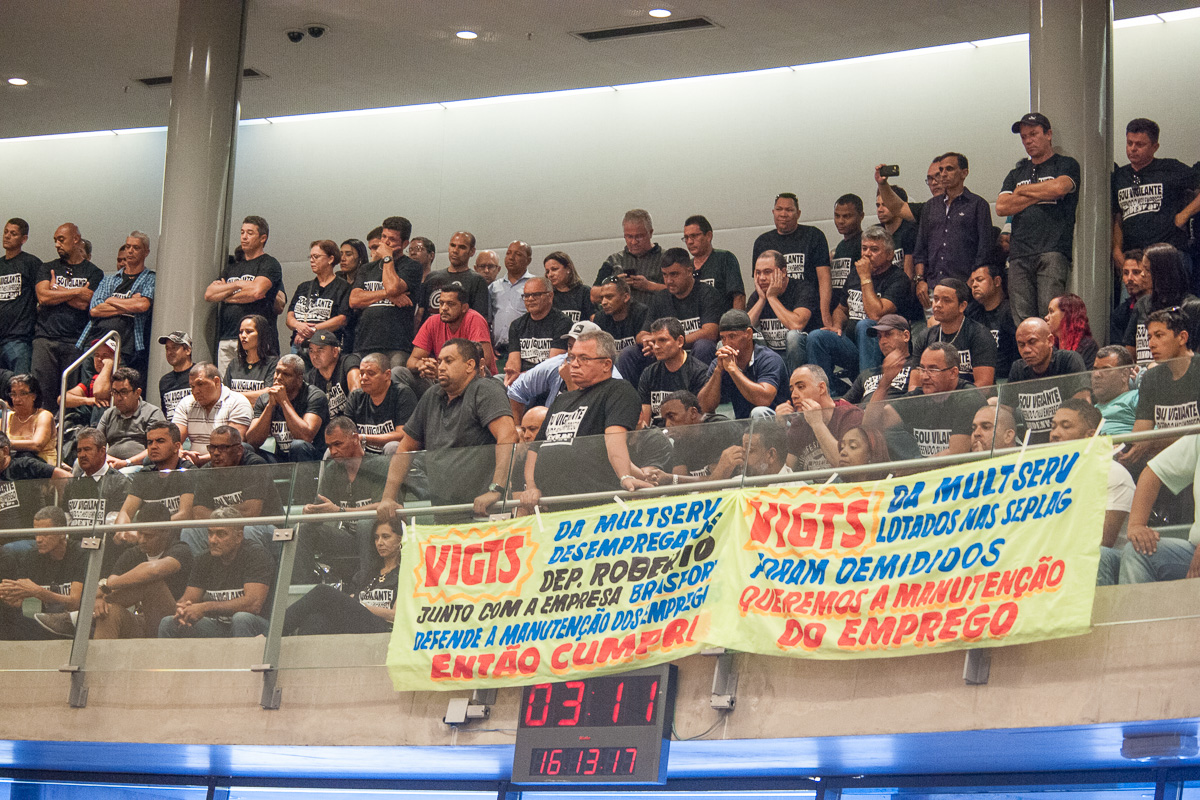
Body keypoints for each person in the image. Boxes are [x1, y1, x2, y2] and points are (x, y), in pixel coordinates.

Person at [378, 339, 517, 519]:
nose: (441, 367)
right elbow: (405, 448)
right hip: (444, 512)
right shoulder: (431, 396)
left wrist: (496, 489)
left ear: (469, 365)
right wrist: (388, 497)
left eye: (449, 361)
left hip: (485, 511)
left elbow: (508, 436)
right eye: (440, 361)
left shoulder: (485, 389)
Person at [518, 330, 646, 510]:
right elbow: (535, 448)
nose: (574, 364)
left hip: (596, 505)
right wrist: (531, 487)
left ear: (606, 364)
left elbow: (614, 438)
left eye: (584, 358)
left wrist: (625, 476)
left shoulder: (618, 390)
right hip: (553, 506)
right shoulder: (561, 400)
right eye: (572, 358)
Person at [35, 504, 193, 640]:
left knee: (150, 583)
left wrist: (106, 587)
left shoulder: (180, 550)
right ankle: (97, 666)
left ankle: (80, 617)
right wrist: (99, 600)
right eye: (139, 533)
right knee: (107, 611)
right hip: (142, 621)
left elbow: (153, 570)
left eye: (149, 535)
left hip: (173, 620)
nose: (142, 540)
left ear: (166, 532)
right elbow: (110, 585)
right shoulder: (133, 553)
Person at [806, 225, 922, 391]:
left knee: (866, 325)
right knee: (816, 337)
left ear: (889, 255)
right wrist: (836, 326)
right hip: (853, 346)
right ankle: (826, 395)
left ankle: (868, 390)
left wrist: (866, 277)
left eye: (874, 249)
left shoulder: (898, 279)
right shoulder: (855, 273)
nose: (867, 254)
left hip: (883, 347)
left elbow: (875, 314)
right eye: (864, 248)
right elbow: (841, 309)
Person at [996, 113, 1081, 320]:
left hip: (1052, 250)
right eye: (1024, 137)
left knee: (1050, 316)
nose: (1028, 141)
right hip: (1019, 254)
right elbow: (1002, 207)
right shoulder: (1016, 173)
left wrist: (1022, 192)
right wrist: (1042, 192)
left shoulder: (1065, 164)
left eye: (1033, 134)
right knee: (1023, 321)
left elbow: (1059, 188)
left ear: (1048, 134)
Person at [1047, 398, 1135, 587]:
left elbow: (1104, 540)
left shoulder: (1113, 473)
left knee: (1093, 555)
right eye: (1053, 427)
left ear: (1090, 436)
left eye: (1065, 426)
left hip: (1111, 562)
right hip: (1060, 560)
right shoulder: (1046, 479)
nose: (1055, 434)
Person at [158, 506, 274, 639]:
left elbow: (253, 604)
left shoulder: (256, 555)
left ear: (238, 536)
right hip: (218, 626)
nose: (213, 540)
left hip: (260, 628)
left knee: (241, 618)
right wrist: (183, 609)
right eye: (210, 533)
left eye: (221, 534)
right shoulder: (203, 559)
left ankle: (244, 654)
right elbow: (189, 598)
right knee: (169, 623)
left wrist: (205, 607)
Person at [297, 416, 389, 578]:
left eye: (338, 444)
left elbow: (382, 505)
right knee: (304, 530)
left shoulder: (380, 465)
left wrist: (340, 511)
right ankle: (306, 583)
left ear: (355, 438)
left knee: (365, 524)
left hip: (378, 537)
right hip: (348, 538)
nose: (333, 451)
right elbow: (321, 506)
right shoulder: (332, 469)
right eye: (329, 446)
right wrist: (310, 511)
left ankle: (366, 582)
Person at [619, 249, 721, 387]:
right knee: (629, 353)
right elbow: (641, 335)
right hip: (664, 352)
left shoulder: (707, 293)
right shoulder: (660, 298)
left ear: (689, 271)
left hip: (692, 352)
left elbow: (710, 332)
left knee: (704, 346)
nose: (668, 281)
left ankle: (700, 395)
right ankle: (631, 397)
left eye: (674, 274)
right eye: (665, 275)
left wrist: (673, 344)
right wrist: (649, 341)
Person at [866, 342, 986, 457]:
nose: (924, 376)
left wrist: (915, 466)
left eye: (933, 370)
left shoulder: (968, 398)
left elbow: (956, 454)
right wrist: (885, 382)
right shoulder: (919, 396)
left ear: (953, 373)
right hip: (924, 467)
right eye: (922, 369)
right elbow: (871, 425)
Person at [282, 520, 400, 636]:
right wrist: (355, 603)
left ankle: (275, 631)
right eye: (376, 538)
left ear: (400, 539)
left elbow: (395, 615)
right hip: (358, 621)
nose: (379, 543)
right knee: (315, 620)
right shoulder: (367, 573)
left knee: (322, 592)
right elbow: (353, 597)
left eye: (386, 537)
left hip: (383, 626)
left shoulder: (404, 573)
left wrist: (362, 606)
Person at [1111, 118, 1200, 270]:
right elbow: (1118, 215)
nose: (1133, 149)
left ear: (1155, 147)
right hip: (1134, 257)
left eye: (1140, 144)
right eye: (1129, 143)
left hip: (1169, 253)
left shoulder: (1170, 168)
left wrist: (1184, 215)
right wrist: (1116, 248)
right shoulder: (1119, 176)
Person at [32, 223, 103, 410]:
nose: (57, 244)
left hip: (75, 342)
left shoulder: (94, 272)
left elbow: (86, 303)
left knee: (70, 397)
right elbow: (43, 297)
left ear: (76, 239)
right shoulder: (48, 267)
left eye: (61, 239)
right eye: (55, 240)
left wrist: (57, 290)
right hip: (45, 339)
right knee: (41, 394)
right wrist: (78, 291)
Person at [205, 216, 284, 374]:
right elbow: (210, 294)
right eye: (242, 232)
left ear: (263, 238)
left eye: (250, 233)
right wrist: (238, 284)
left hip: (257, 338)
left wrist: (226, 295)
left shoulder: (269, 263)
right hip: (227, 337)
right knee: (226, 385)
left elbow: (256, 292)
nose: (244, 237)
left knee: (254, 383)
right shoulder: (232, 268)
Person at [912, 153, 994, 305]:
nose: (943, 174)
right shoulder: (930, 206)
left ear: (964, 173)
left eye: (949, 169)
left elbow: (985, 249)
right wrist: (920, 280)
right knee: (934, 321)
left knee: (963, 320)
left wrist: (972, 280)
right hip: (932, 286)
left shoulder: (977, 205)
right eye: (941, 170)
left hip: (964, 285)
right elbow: (920, 249)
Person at [1118, 432, 1200, 584]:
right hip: (1193, 550)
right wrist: (1136, 525)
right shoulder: (1197, 439)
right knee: (1135, 551)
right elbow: (1153, 473)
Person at [186, 425, 282, 553]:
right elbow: (199, 514)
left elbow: (251, 512)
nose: (215, 453)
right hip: (223, 528)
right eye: (212, 447)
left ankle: (253, 566)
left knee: (245, 531)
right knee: (190, 532)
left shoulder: (254, 465)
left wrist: (216, 514)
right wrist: (229, 517)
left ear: (239, 450)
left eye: (223, 448)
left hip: (265, 527)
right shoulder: (206, 472)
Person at [506, 321, 626, 421]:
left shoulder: (613, 379)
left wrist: (570, 382)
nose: (573, 352)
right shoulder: (557, 364)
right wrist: (517, 428)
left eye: (581, 348)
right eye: (570, 346)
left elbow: (586, 423)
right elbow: (517, 389)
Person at [79, 230, 156, 383]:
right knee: (89, 387)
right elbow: (95, 309)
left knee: (117, 388)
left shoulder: (150, 278)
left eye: (136, 247)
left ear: (146, 252)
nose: (130, 251)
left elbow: (142, 305)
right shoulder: (110, 279)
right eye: (128, 247)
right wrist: (129, 304)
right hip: (95, 341)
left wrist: (111, 300)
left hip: (124, 347)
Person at [0, 506, 86, 640]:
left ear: (62, 532)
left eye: (45, 534)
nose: (39, 539)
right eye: (36, 533)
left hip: (72, 623)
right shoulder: (31, 556)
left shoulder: (80, 553)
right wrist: (11, 596)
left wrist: (39, 592)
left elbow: (75, 603)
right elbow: (19, 603)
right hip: (43, 623)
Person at [1001, 317, 1089, 444]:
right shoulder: (1018, 369)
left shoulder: (1068, 361)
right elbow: (1004, 413)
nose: (1026, 350)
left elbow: (1083, 409)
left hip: (1066, 444)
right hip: (1032, 449)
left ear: (1050, 341)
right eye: (1021, 345)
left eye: (1032, 342)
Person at [751, 192, 832, 329]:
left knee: (795, 335)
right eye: (779, 209)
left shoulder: (813, 236)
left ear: (798, 213)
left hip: (806, 304)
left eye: (789, 210)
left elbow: (824, 278)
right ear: (773, 212)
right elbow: (759, 279)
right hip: (774, 309)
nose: (783, 214)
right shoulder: (762, 242)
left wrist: (825, 315)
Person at [349, 216, 422, 367]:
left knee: (395, 378)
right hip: (366, 342)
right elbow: (354, 300)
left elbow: (392, 287)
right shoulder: (367, 269)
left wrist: (388, 257)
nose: (386, 242)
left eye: (392, 239)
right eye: (383, 237)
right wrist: (388, 295)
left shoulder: (412, 267)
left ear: (405, 243)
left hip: (396, 344)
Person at [698, 310, 788, 419]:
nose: (726, 343)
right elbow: (704, 407)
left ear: (749, 334)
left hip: (777, 422)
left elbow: (764, 400)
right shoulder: (721, 362)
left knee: (758, 412)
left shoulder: (769, 359)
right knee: (707, 418)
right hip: (742, 422)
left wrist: (733, 370)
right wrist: (717, 371)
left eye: (732, 336)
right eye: (723, 338)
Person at [775, 365, 863, 472]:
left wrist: (817, 424)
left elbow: (845, 468)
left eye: (801, 387)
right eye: (792, 390)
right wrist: (779, 428)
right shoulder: (799, 422)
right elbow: (787, 471)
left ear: (821, 388)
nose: (793, 395)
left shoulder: (851, 415)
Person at [1123, 244, 1200, 364]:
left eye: (1147, 270)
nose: (1142, 275)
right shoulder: (1142, 304)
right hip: (1144, 373)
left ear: (1163, 272)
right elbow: (1130, 353)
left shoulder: (1193, 307)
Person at [642, 391, 740, 485]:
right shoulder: (681, 438)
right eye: (665, 419)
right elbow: (680, 481)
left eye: (671, 416)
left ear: (693, 413)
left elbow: (719, 479)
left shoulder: (719, 428)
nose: (667, 424)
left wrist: (671, 479)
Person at [913, 279, 997, 386]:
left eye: (946, 300)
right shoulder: (925, 336)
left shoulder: (980, 335)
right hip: (934, 396)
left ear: (962, 306)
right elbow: (914, 385)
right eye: (936, 299)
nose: (938, 305)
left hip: (970, 395)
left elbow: (984, 386)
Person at [114, 421, 195, 532]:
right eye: (150, 442)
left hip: (175, 537)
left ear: (176, 447)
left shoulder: (188, 471)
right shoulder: (145, 474)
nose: (153, 446)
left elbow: (185, 515)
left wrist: (147, 531)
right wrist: (122, 531)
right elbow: (125, 512)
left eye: (160, 441)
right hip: (144, 536)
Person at [746, 249, 817, 374]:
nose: (761, 278)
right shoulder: (758, 296)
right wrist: (762, 299)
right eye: (758, 273)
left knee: (793, 336)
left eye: (767, 272)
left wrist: (772, 298)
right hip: (773, 358)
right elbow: (742, 329)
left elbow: (796, 325)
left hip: (800, 359)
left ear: (783, 272)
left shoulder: (802, 289)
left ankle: (796, 382)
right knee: (750, 337)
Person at [246, 355, 329, 462]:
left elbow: (305, 437)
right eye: (277, 372)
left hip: (313, 458)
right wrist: (270, 406)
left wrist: (284, 401)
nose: (278, 377)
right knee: (245, 449)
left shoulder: (315, 396)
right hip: (281, 459)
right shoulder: (264, 399)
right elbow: (252, 441)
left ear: (299, 379)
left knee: (298, 445)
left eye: (286, 374)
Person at [408, 282, 496, 381]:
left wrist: (442, 370)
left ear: (464, 308)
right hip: (440, 379)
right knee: (400, 373)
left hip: (473, 381)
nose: (444, 308)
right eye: (441, 303)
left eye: (450, 304)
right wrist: (423, 365)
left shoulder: (475, 319)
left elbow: (483, 363)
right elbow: (412, 360)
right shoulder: (432, 321)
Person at [171, 362, 252, 466]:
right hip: (191, 465)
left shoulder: (238, 402)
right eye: (192, 386)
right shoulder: (186, 403)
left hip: (225, 465)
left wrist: (200, 460)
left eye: (200, 384)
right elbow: (174, 441)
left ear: (216, 382)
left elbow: (232, 447)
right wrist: (181, 455)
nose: (195, 391)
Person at [637, 317, 709, 427]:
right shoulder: (648, 373)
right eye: (654, 341)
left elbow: (699, 421)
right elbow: (644, 423)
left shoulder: (699, 372)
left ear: (680, 341)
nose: (656, 346)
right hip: (656, 435)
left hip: (687, 433)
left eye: (662, 340)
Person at [62, 427, 132, 540]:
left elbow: (112, 530)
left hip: (103, 546)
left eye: (87, 449)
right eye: (79, 451)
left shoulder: (119, 482)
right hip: (74, 546)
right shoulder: (72, 484)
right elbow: (65, 522)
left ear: (102, 451)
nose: (82, 455)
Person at [345, 353, 418, 455]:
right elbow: (346, 433)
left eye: (371, 373)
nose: (364, 378)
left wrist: (364, 438)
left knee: (392, 447)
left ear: (387, 375)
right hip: (364, 455)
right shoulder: (355, 397)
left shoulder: (402, 394)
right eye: (361, 373)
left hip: (392, 456)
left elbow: (403, 435)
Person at [591, 209, 667, 306]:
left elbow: (681, 291)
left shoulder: (666, 258)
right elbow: (593, 295)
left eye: (639, 236)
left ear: (650, 233)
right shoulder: (614, 260)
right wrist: (615, 285)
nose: (634, 242)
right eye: (629, 236)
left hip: (655, 313)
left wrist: (649, 286)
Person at [286, 239, 350, 354]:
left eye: (316, 257)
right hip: (298, 345)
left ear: (330, 259)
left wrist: (312, 330)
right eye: (310, 257)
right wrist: (298, 325)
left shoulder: (342, 287)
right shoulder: (303, 287)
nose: (312, 260)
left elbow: (342, 319)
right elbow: (290, 316)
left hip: (324, 346)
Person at [503, 276, 571, 385]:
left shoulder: (563, 323)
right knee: (496, 381)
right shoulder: (516, 325)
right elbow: (513, 360)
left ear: (550, 296)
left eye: (536, 294)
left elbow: (553, 365)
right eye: (526, 295)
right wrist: (512, 373)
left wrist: (524, 376)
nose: (530, 299)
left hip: (549, 380)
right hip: (521, 379)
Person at [94, 367, 165, 466]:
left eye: (123, 392)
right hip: (110, 464)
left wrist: (126, 462)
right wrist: (107, 459)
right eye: (115, 392)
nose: (118, 398)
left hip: (139, 467)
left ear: (137, 393)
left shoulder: (152, 413)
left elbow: (157, 448)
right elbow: (95, 445)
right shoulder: (109, 414)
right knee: (79, 463)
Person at [418, 232, 489, 323]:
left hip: (461, 330)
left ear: (472, 251)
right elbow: (420, 313)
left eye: (462, 247)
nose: (455, 250)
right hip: (431, 330)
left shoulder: (477, 281)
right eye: (453, 245)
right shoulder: (432, 277)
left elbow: (479, 319)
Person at [841, 315, 914, 405]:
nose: (883, 341)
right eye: (879, 337)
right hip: (863, 413)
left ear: (906, 336)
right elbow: (842, 405)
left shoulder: (916, 366)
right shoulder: (867, 374)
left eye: (888, 334)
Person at [0, 217, 41, 374]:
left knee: (20, 383)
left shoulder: (31, 263)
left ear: (23, 239)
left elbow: (42, 297)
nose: (7, 236)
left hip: (19, 338)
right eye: (5, 232)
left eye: (13, 233)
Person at [966, 263, 1019, 379]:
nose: (974, 285)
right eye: (972, 281)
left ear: (997, 281)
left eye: (980, 280)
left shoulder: (1010, 312)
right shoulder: (972, 313)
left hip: (1006, 379)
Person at [682, 214, 745, 311]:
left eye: (694, 236)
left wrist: (737, 319)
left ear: (708, 236)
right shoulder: (687, 267)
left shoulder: (725, 259)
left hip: (723, 318)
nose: (689, 242)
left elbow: (738, 296)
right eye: (686, 237)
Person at [490, 241, 535, 361]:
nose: (511, 257)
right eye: (508, 253)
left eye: (518, 254)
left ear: (528, 260)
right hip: (498, 351)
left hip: (526, 351)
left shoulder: (534, 285)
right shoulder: (494, 287)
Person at [224, 314, 279, 406]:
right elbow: (224, 394)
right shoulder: (234, 364)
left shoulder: (273, 363)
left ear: (262, 334)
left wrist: (233, 395)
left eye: (249, 332)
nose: (243, 336)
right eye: (241, 332)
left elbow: (267, 394)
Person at [305, 330, 360, 419]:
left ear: (335, 352)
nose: (314, 356)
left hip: (351, 422)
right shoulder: (311, 377)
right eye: (311, 351)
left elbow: (357, 394)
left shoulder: (348, 362)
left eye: (320, 350)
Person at [4, 374, 57, 465]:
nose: (17, 399)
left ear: (34, 396)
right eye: (13, 394)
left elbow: (37, 445)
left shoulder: (44, 416)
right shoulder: (7, 417)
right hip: (13, 467)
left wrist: (5, 444)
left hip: (42, 467)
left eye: (23, 393)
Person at [876, 158, 945, 228]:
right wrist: (882, 184)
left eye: (938, 176)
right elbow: (899, 208)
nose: (933, 182)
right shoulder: (928, 209)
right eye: (930, 178)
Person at [872, 182, 918, 278]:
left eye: (885, 205)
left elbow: (908, 275)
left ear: (897, 205)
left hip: (901, 284)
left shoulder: (910, 231)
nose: (880, 210)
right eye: (878, 205)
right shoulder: (875, 232)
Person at [1091, 346, 1139, 436]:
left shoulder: (1136, 398)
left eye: (1106, 369)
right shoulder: (1090, 410)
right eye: (1095, 369)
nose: (1096, 375)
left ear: (1124, 375)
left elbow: (1156, 434)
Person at [593, 275, 649, 352]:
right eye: (602, 298)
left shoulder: (641, 313)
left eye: (609, 297)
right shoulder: (600, 317)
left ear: (625, 297)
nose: (603, 302)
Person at [1046, 293, 1098, 369]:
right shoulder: (1051, 346)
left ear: (1067, 315)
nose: (1046, 317)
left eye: (1051, 312)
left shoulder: (1088, 346)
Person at [1111, 249, 1148, 346]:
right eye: (1126, 273)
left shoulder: (1163, 307)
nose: (1129, 278)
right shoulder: (1120, 313)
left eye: (1136, 272)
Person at [544, 251, 593, 323]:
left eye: (554, 269)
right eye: (547, 271)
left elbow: (593, 320)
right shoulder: (548, 296)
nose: (550, 275)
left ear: (568, 269)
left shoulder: (584, 292)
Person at [830, 194, 865, 294]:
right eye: (837, 216)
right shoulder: (840, 246)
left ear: (861, 216)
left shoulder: (865, 244)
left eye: (846, 216)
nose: (840, 221)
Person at [157, 331, 195, 422]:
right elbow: (165, 413)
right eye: (167, 348)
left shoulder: (199, 374)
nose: (169, 352)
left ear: (188, 350)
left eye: (174, 348)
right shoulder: (165, 381)